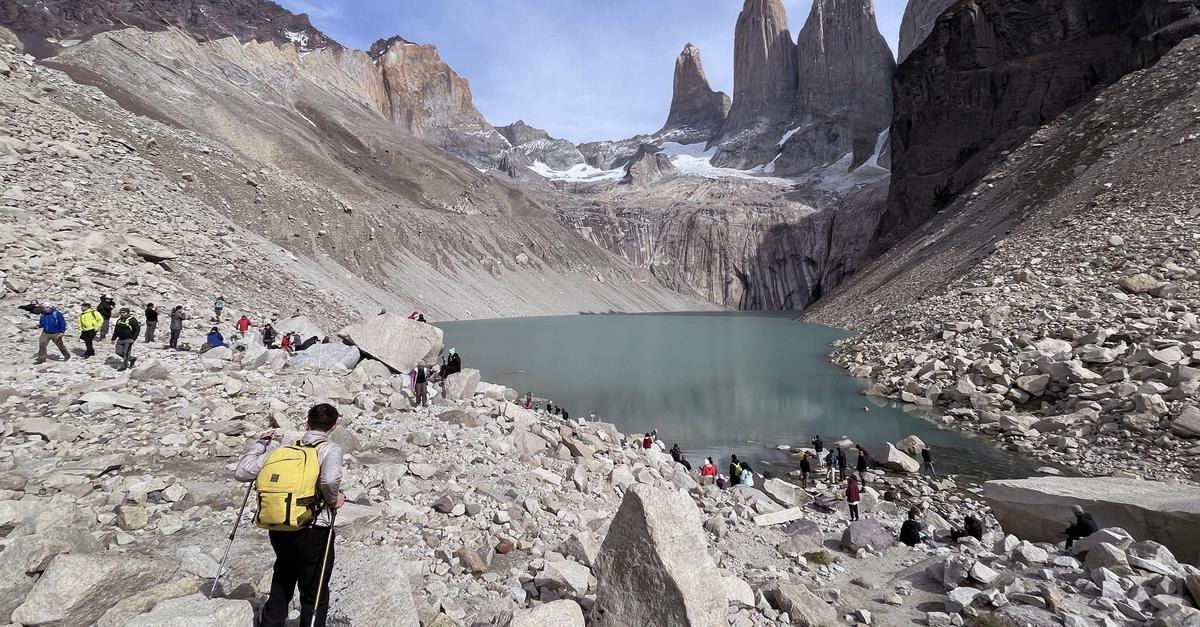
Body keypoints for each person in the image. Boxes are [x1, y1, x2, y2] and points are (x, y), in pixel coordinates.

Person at [235, 403, 345, 627]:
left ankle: (271, 622)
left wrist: (260, 445)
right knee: (314, 590)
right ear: (333, 427)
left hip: (279, 524)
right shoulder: (329, 450)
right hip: (315, 527)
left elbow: (242, 472)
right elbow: (330, 480)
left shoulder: (282, 450)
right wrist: (334, 499)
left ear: (307, 423)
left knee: (284, 573)